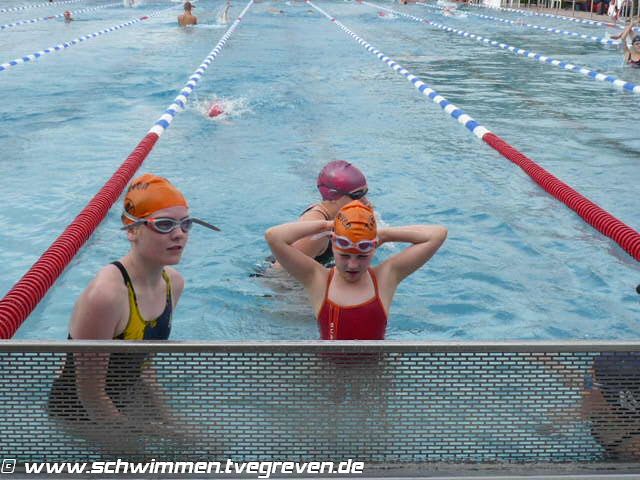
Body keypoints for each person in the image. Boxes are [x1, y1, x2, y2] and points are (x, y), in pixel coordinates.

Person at [48, 174, 219, 426]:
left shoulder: (173, 283)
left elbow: (144, 365)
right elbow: (90, 395)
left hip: (122, 395)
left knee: (202, 443)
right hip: (77, 413)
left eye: (186, 224)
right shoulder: (106, 296)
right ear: (132, 230)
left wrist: (171, 422)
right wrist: (133, 440)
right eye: (164, 224)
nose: (179, 234)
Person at [265, 200, 447, 339]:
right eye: (345, 256)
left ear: (374, 248)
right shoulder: (317, 279)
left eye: (362, 256)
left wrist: (383, 234)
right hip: (329, 374)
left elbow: (438, 234)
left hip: (375, 374)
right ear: (333, 245)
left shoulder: (385, 278)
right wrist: (328, 225)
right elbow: (273, 236)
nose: (352, 265)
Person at [284, 160, 369, 268]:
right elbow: (280, 274)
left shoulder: (339, 214)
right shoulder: (314, 232)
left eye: (365, 193)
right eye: (357, 195)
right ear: (334, 196)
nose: (365, 201)